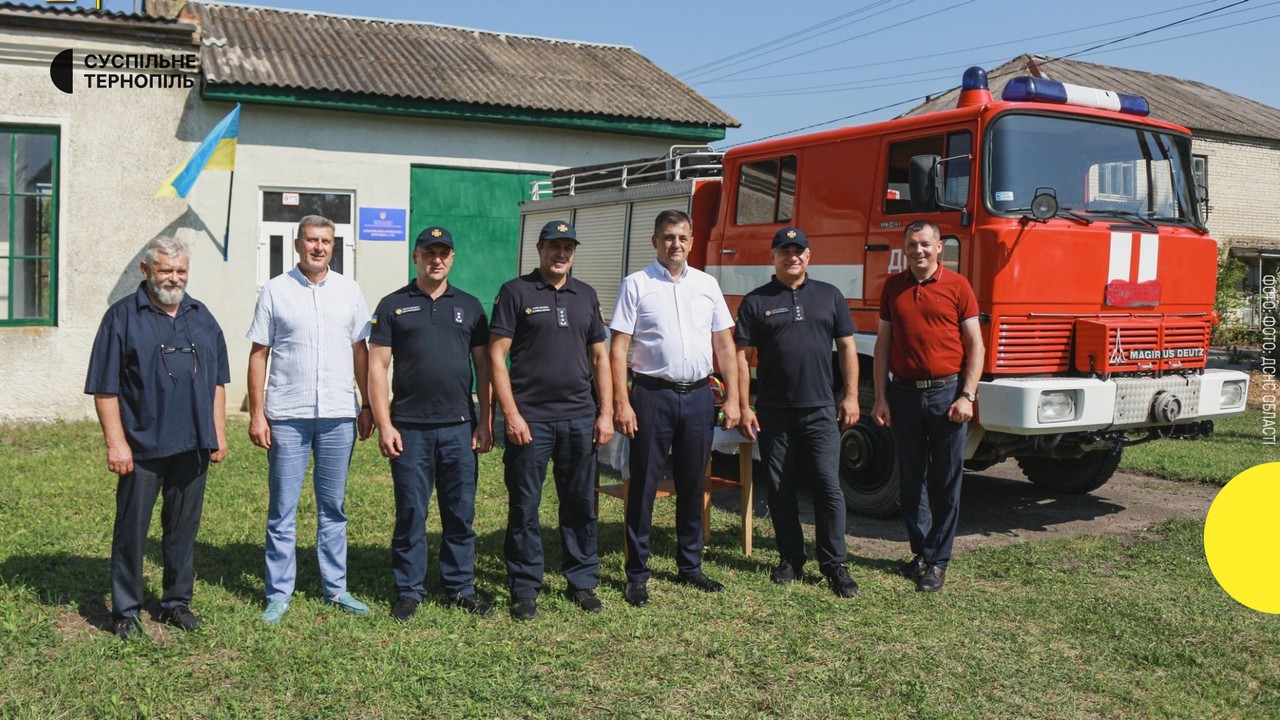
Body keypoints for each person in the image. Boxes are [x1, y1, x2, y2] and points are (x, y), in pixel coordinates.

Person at [85, 236, 230, 639]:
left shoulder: (202, 317)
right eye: (165, 270)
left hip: (194, 443)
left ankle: (176, 603)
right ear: (145, 270)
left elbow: (218, 381)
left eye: (180, 270)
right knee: (132, 530)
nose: (174, 277)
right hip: (142, 446)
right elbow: (105, 387)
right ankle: (126, 610)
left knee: (183, 529)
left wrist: (218, 431)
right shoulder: (122, 317)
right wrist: (116, 443)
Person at [247, 214, 375, 623]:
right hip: (287, 414)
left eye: (326, 241)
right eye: (311, 240)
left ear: (332, 247)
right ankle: (279, 593)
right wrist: (257, 414)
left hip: (339, 414)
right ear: (298, 244)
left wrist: (369, 404)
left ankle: (335, 588)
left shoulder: (349, 291)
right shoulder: (274, 291)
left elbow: (360, 353)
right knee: (282, 509)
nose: (319, 247)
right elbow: (259, 355)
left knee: (333, 508)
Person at [610, 209, 740, 608]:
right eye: (668, 237)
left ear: (692, 240)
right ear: (655, 241)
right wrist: (621, 402)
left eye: (682, 238)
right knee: (644, 484)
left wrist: (733, 396)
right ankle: (637, 573)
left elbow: (724, 345)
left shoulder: (707, 284)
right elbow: (618, 349)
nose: (675, 245)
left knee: (691, 483)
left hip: (699, 396)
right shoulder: (636, 284)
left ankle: (690, 565)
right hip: (652, 395)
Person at [368, 226, 495, 621]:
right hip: (409, 428)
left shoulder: (471, 307)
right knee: (411, 512)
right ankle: (409, 589)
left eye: (443, 253)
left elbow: (484, 366)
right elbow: (377, 366)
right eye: (428, 252)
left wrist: (486, 420)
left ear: (452, 259)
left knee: (460, 512)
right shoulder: (392, 305)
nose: (436, 259)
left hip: (459, 426)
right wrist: (385, 424)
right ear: (416, 257)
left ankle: (460, 586)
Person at [489, 220, 614, 621]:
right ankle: (525, 588)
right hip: (531, 421)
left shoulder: (586, 295)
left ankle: (582, 581)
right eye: (554, 246)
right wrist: (510, 414)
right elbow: (496, 356)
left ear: (574, 253)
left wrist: (605, 411)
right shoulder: (516, 292)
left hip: (579, 417)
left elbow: (600, 358)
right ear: (539, 249)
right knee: (525, 506)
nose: (561, 254)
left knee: (579, 504)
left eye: (568, 247)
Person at [735, 226, 860, 598]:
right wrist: (744, 405)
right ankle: (790, 557)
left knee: (827, 485)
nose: (792, 257)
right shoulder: (756, 301)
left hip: (820, 410)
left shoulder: (830, 296)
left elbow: (848, 348)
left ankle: (834, 563)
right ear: (772, 257)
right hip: (774, 411)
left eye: (798, 251)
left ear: (809, 256)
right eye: (784, 251)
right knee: (780, 488)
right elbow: (742, 358)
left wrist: (851, 396)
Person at [871, 219, 983, 593]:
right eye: (911, 245)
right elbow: (883, 345)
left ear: (939, 248)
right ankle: (922, 552)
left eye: (924, 244)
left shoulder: (958, 286)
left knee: (945, 481)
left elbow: (975, 346)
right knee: (910, 477)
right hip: (903, 394)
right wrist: (882, 397)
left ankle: (938, 561)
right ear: (905, 249)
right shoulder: (893, 287)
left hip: (947, 394)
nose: (918, 250)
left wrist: (967, 395)